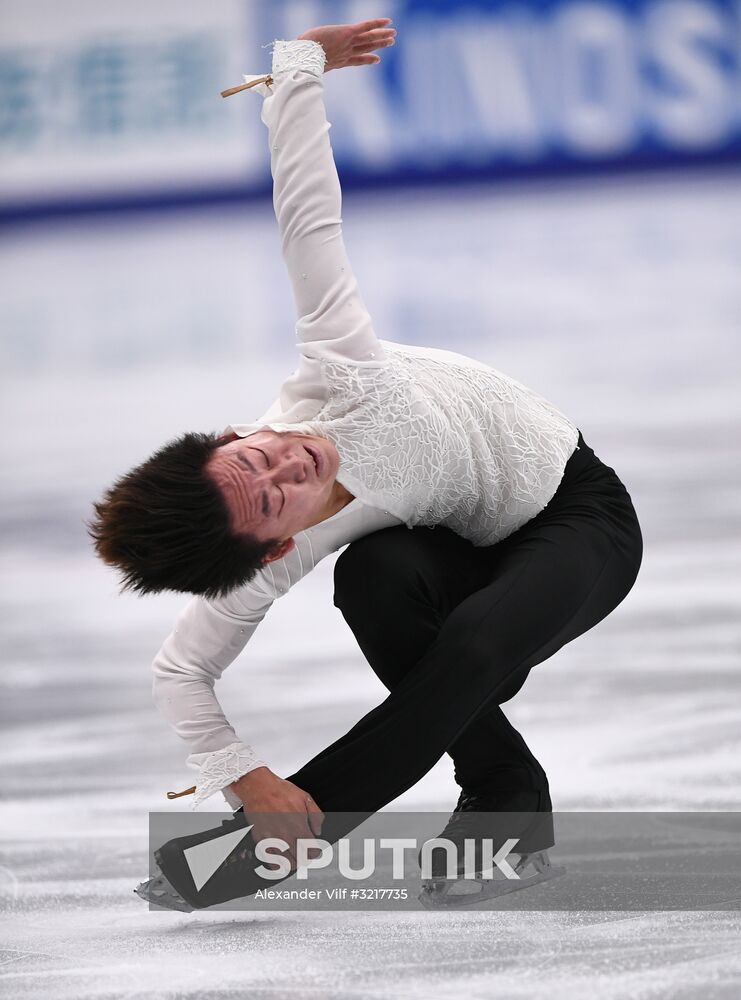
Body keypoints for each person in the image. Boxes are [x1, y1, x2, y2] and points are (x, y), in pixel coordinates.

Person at [89, 20, 643, 908]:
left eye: (256, 455)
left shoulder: (340, 373)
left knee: (471, 643)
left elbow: (306, 212)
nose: (289, 462)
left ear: (231, 434)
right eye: (273, 501)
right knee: (375, 578)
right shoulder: (269, 568)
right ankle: (506, 795)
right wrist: (243, 774)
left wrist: (298, 66)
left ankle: (272, 851)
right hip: (464, 550)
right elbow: (180, 672)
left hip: (579, 521)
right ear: (271, 550)